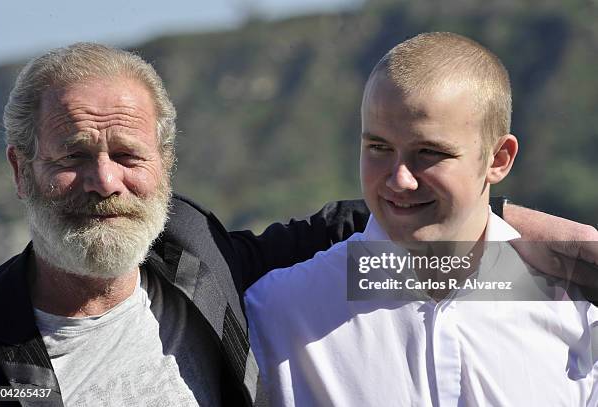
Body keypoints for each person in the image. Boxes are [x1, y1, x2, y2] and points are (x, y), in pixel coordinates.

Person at [0, 42, 595, 406]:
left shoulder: (215, 270)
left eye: (128, 155)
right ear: (21, 169)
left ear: (165, 167)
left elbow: (382, 218)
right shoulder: (276, 308)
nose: (104, 182)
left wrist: (559, 246)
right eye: (71, 157)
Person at [245, 32, 598, 406]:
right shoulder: (275, 314)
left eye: (429, 152)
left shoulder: (577, 313)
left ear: (498, 159)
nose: (400, 178)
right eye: (379, 147)